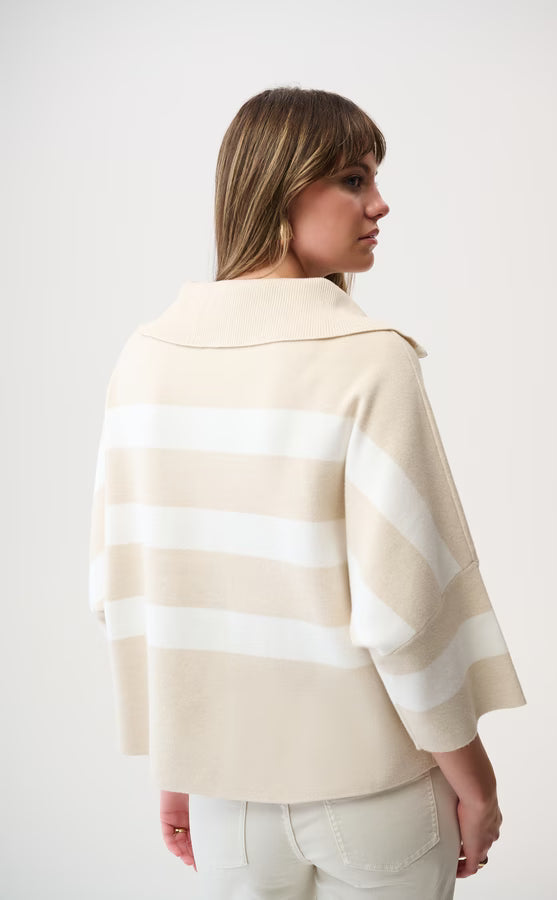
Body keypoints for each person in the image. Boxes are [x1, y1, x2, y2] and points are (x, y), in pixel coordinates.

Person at [88, 86, 526, 898]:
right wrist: (478, 784)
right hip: (377, 793)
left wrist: (179, 768)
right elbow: (405, 614)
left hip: (225, 804)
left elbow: (133, 589)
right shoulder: (369, 358)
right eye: (354, 179)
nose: (380, 203)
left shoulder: (145, 358)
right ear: (282, 188)